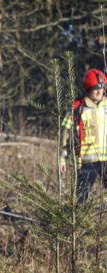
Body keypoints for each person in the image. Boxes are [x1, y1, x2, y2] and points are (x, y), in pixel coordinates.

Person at [59, 68, 107, 203]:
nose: (99, 92)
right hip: (87, 161)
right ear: (88, 89)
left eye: (102, 88)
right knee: (81, 198)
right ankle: (77, 222)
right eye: (96, 89)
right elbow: (65, 133)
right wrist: (62, 158)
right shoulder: (77, 108)